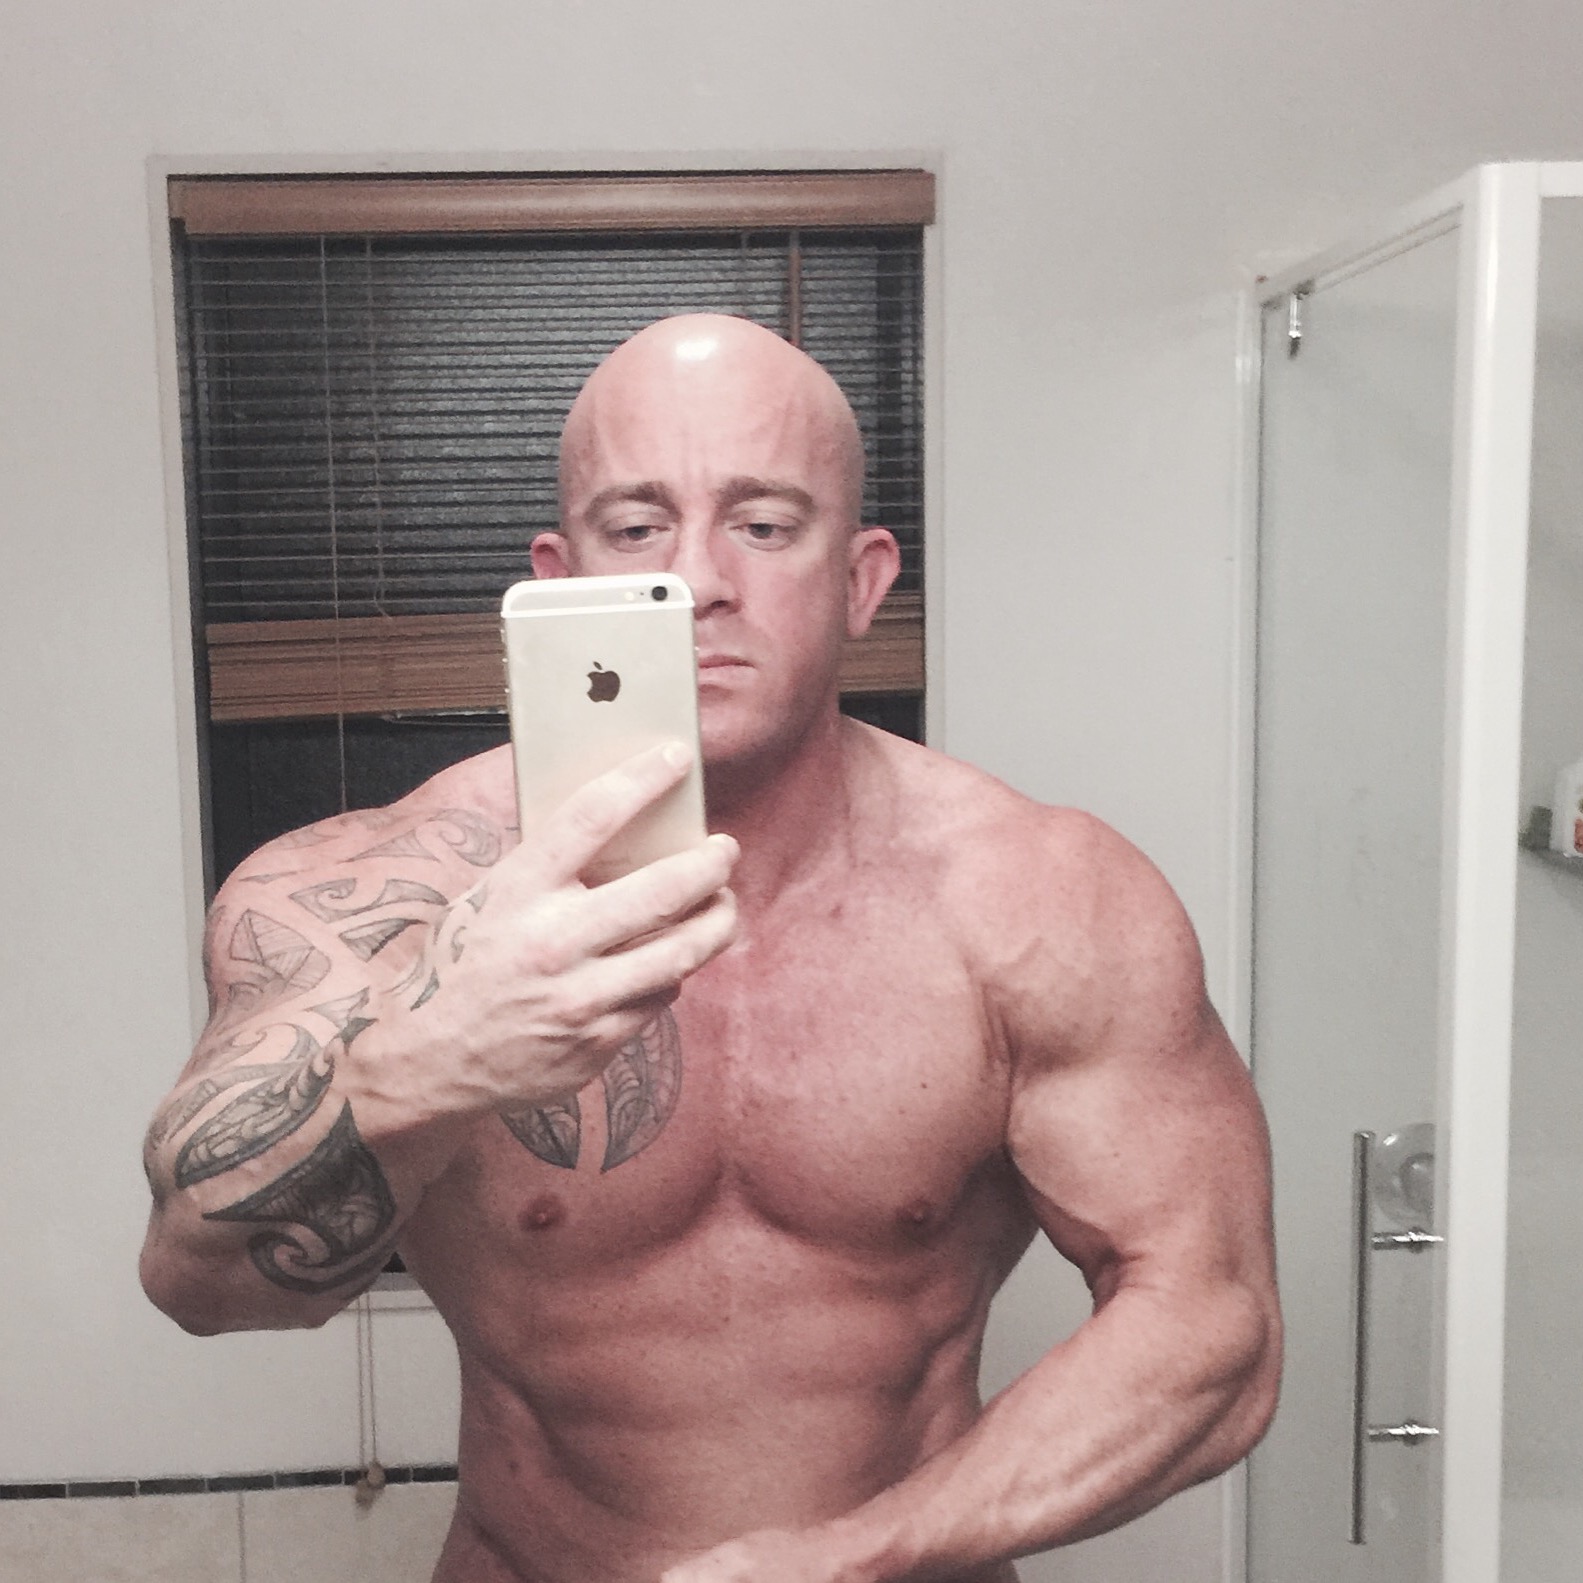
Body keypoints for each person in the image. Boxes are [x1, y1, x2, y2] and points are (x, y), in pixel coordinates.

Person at [141, 313, 1280, 1583]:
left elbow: (1212, 1327)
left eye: (764, 524)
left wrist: (852, 1554)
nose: (696, 581)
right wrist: (431, 1062)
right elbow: (203, 1279)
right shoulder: (378, 896)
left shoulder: (1039, 898)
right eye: (636, 528)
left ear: (860, 579)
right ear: (558, 574)